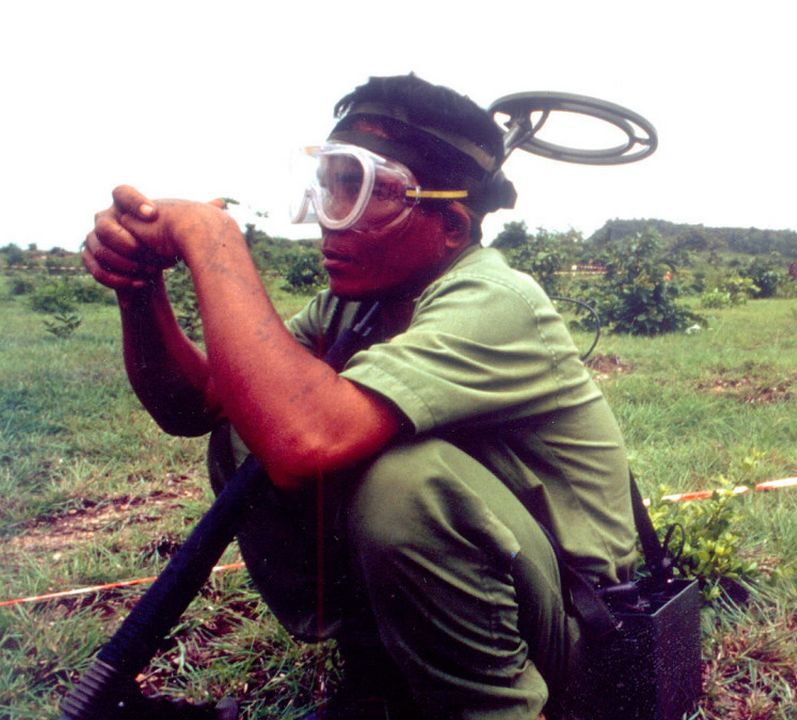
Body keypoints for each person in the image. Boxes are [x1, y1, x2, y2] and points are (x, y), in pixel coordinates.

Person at [82, 73, 638, 720]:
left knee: (406, 484)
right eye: (330, 184)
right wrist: (140, 288)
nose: (329, 212)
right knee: (245, 427)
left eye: (362, 188)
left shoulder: (496, 300)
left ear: (451, 225)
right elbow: (200, 403)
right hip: (495, 608)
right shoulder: (356, 306)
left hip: (581, 630)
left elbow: (304, 440)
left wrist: (213, 241)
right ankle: (384, 681)